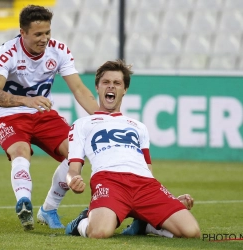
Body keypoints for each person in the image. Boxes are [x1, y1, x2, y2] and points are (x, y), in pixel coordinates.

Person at [0, 5, 99, 231]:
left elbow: (79, 89)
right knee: (20, 150)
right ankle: (23, 202)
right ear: (23, 32)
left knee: (76, 150)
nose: (44, 38)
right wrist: (25, 100)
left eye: (47, 32)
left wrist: (104, 118)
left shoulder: (59, 51)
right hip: (10, 114)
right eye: (38, 34)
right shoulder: (6, 53)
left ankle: (48, 209)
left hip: (41, 113)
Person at [65, 60, 201, 239]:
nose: (111, 87)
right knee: (99, 232)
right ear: (97, 87)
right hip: (109, 181)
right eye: (106, 82)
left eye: (117, 83)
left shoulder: (139, 126)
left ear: (124, 90)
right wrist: (72, 180)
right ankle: (81, 222)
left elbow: (148, 170)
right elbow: (73, 169)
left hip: (145, 185)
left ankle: (145, 225)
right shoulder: (82, 124)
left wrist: (170, 200)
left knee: (192, 233)